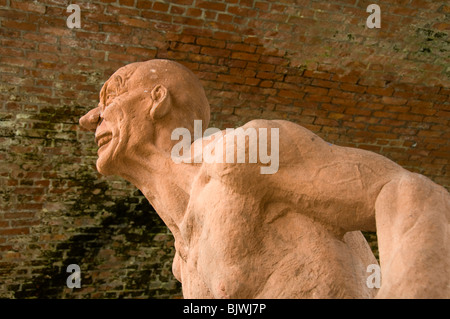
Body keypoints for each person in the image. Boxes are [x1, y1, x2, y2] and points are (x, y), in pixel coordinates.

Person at [79, 59, 450, 298]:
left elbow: (404, 192)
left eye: (112, 95)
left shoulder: (243, 154)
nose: (91, 118)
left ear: (157, 99)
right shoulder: (182, 261)